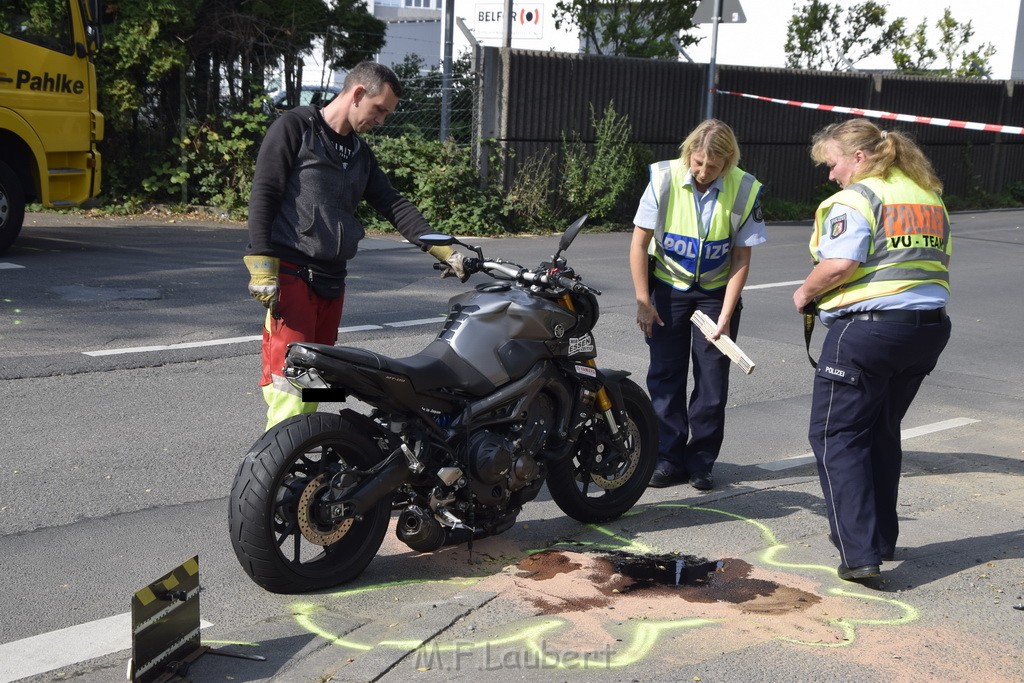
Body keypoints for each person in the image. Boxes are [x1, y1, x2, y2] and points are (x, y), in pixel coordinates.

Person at [244, 61, 467, 431]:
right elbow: (264, 194)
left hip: (332, 282)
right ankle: (274, 474)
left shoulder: (359, 154)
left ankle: (308, 453)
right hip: (292, 277)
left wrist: (444, 249)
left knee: (322, 383)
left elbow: (394, 205)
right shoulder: (296, 128)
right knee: (290, 385)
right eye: (379, 110)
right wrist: (261, 264)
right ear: (357, 93)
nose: (381, 120)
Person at [793, 118, 952, 583]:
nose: (831, 174)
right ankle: (880, 537)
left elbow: (841, 263)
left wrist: (804, 294)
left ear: (858, 157)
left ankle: (859, 552)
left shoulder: (857, 198)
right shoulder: (928, 196)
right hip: (926, 331)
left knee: (836, 436)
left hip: (868, 332)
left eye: (833, 163)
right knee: (881, 430)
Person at [629, 119, 767, 492]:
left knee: (711, 383)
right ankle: (667, 458)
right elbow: (639, 244)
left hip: (714, 293)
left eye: (713, 166)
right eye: (698, 162)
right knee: (665, 376)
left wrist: (725, 313)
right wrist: (644, 301)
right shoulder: (663, 178)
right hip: (669, 289)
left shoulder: (744, 188)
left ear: (729, 162)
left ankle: (701, 462)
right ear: (689, 153)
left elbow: (741, 257)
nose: (704, 172)